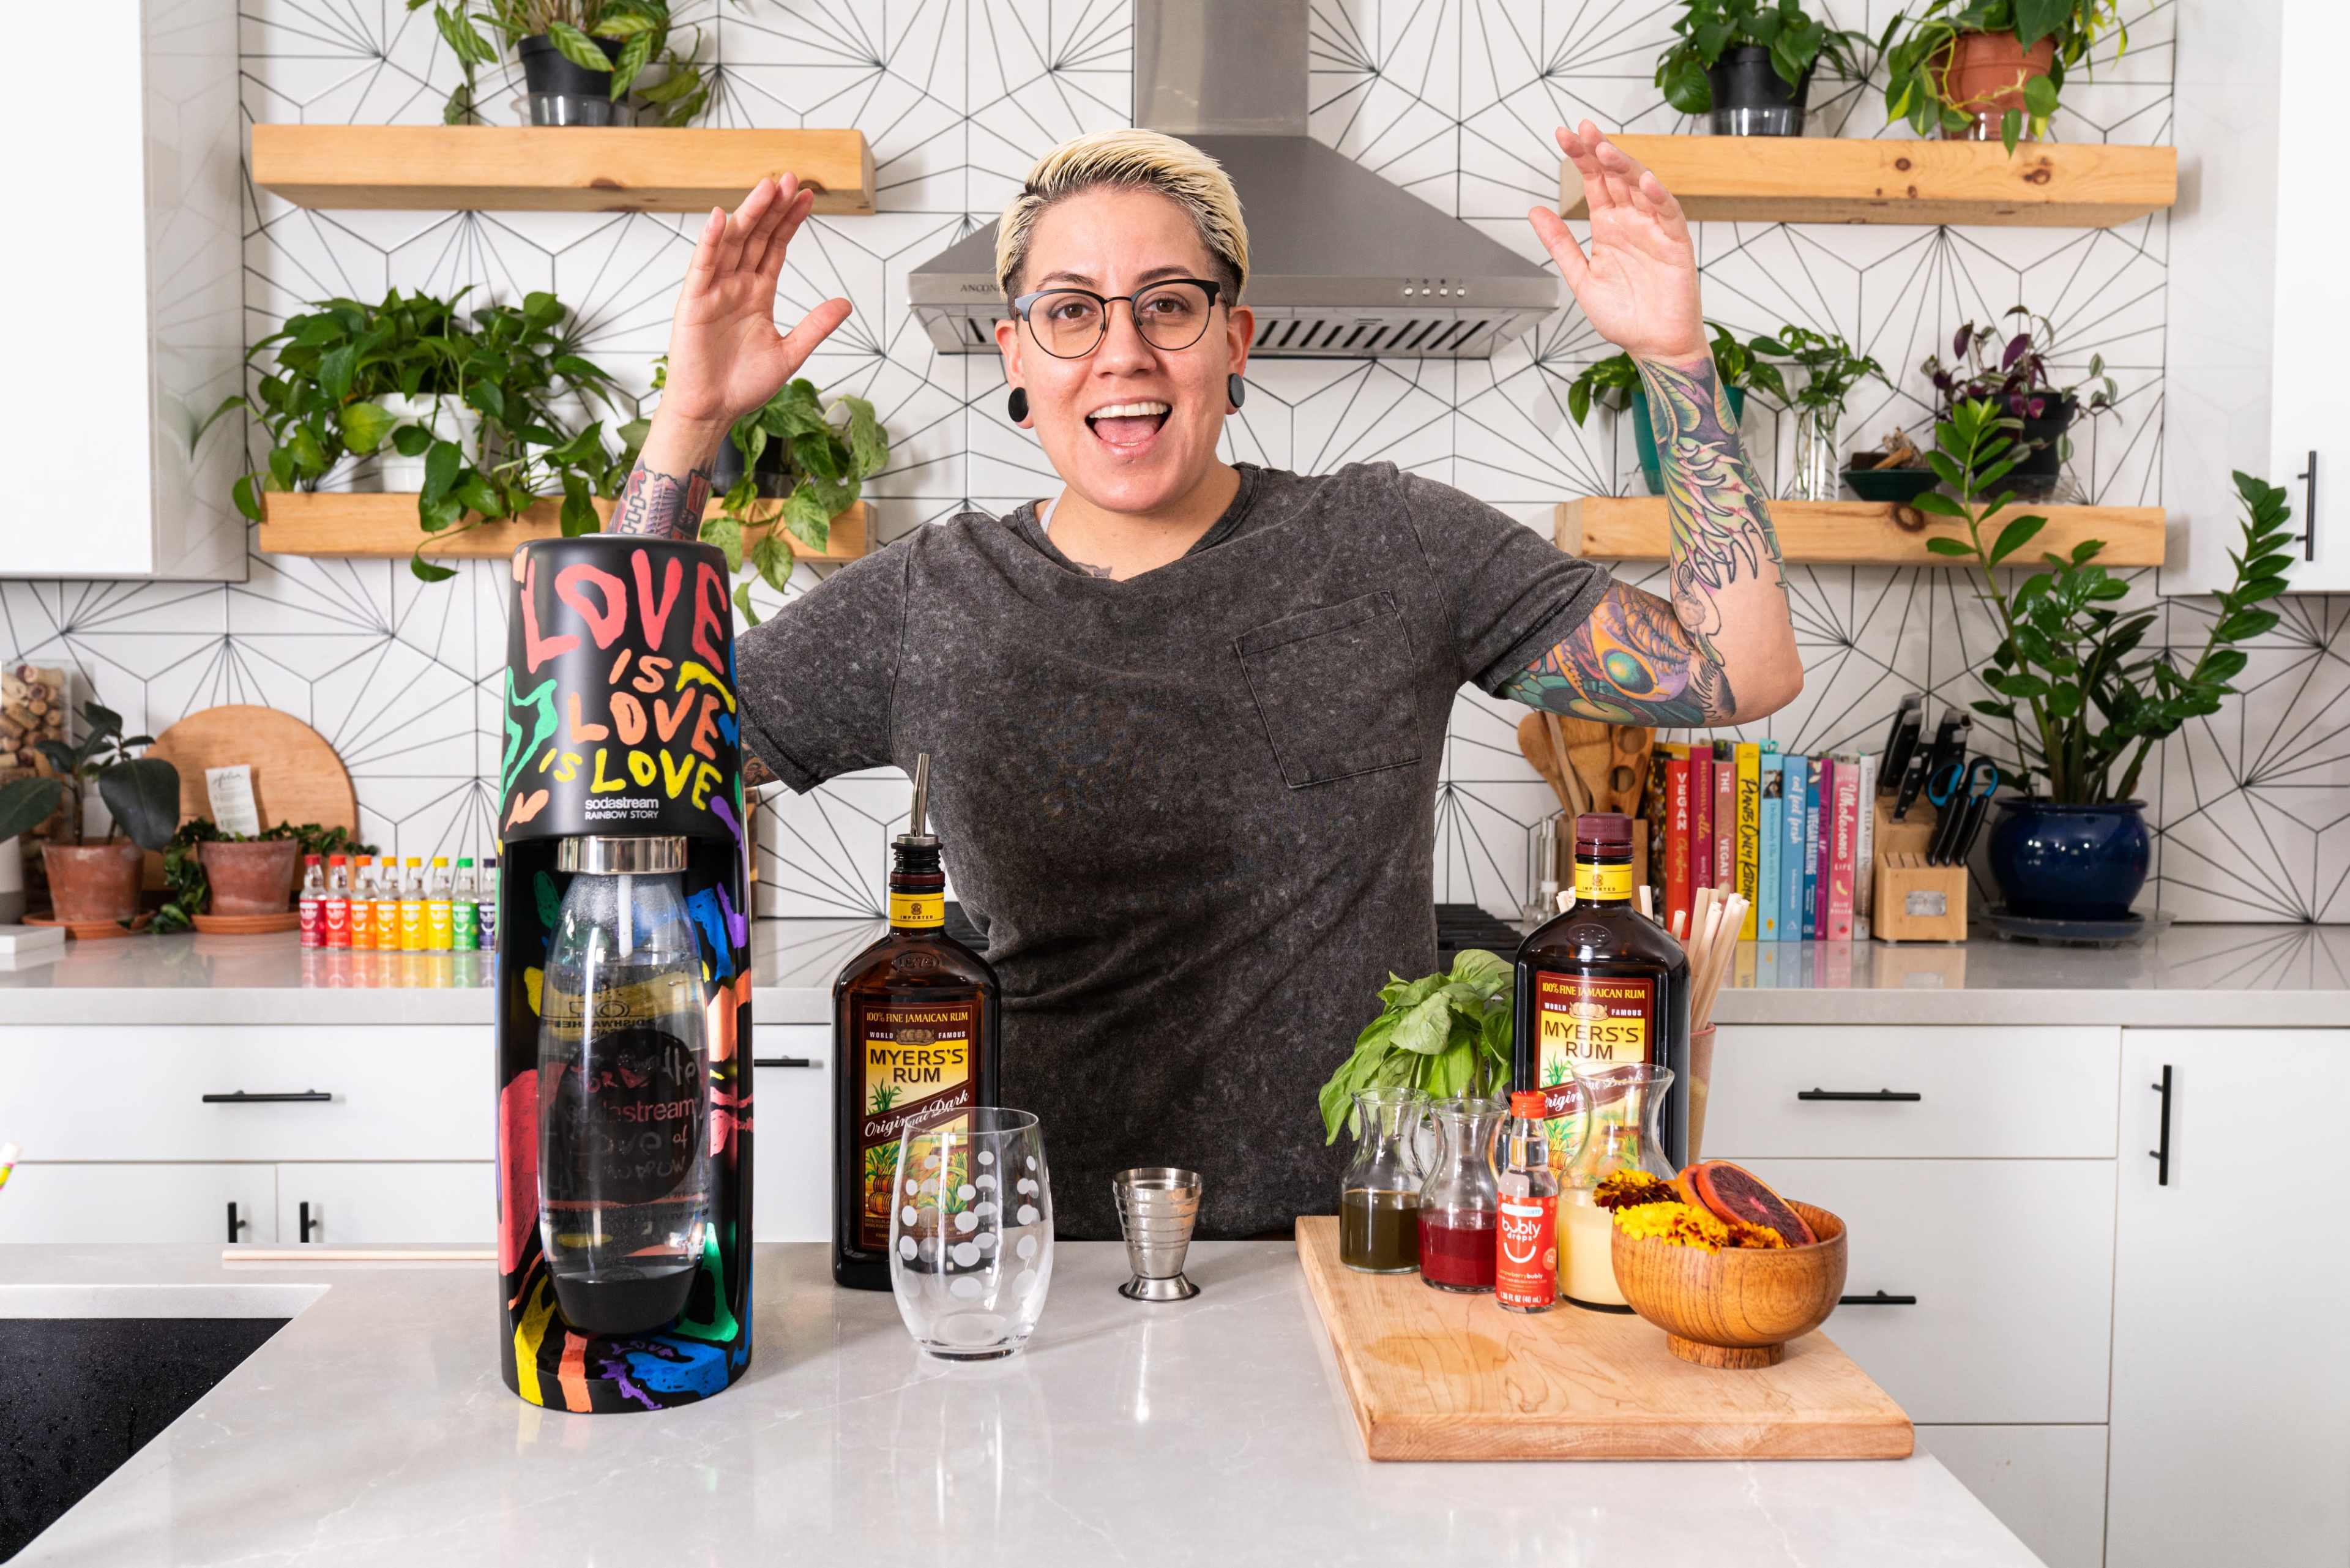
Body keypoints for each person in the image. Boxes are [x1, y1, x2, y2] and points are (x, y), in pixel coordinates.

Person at [614, 124, 1801, 1240]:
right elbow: (622, 769)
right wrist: (685, 427)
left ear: (1234, 342)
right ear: (1015, 353)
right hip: (1034, 1266)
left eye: (1168, 307)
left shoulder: (1391, 542)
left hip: (1354, 1256)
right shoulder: (933, 599)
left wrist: (1674, 361)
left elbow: (1737, 668)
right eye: (1072, 312)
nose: (1123, 352)